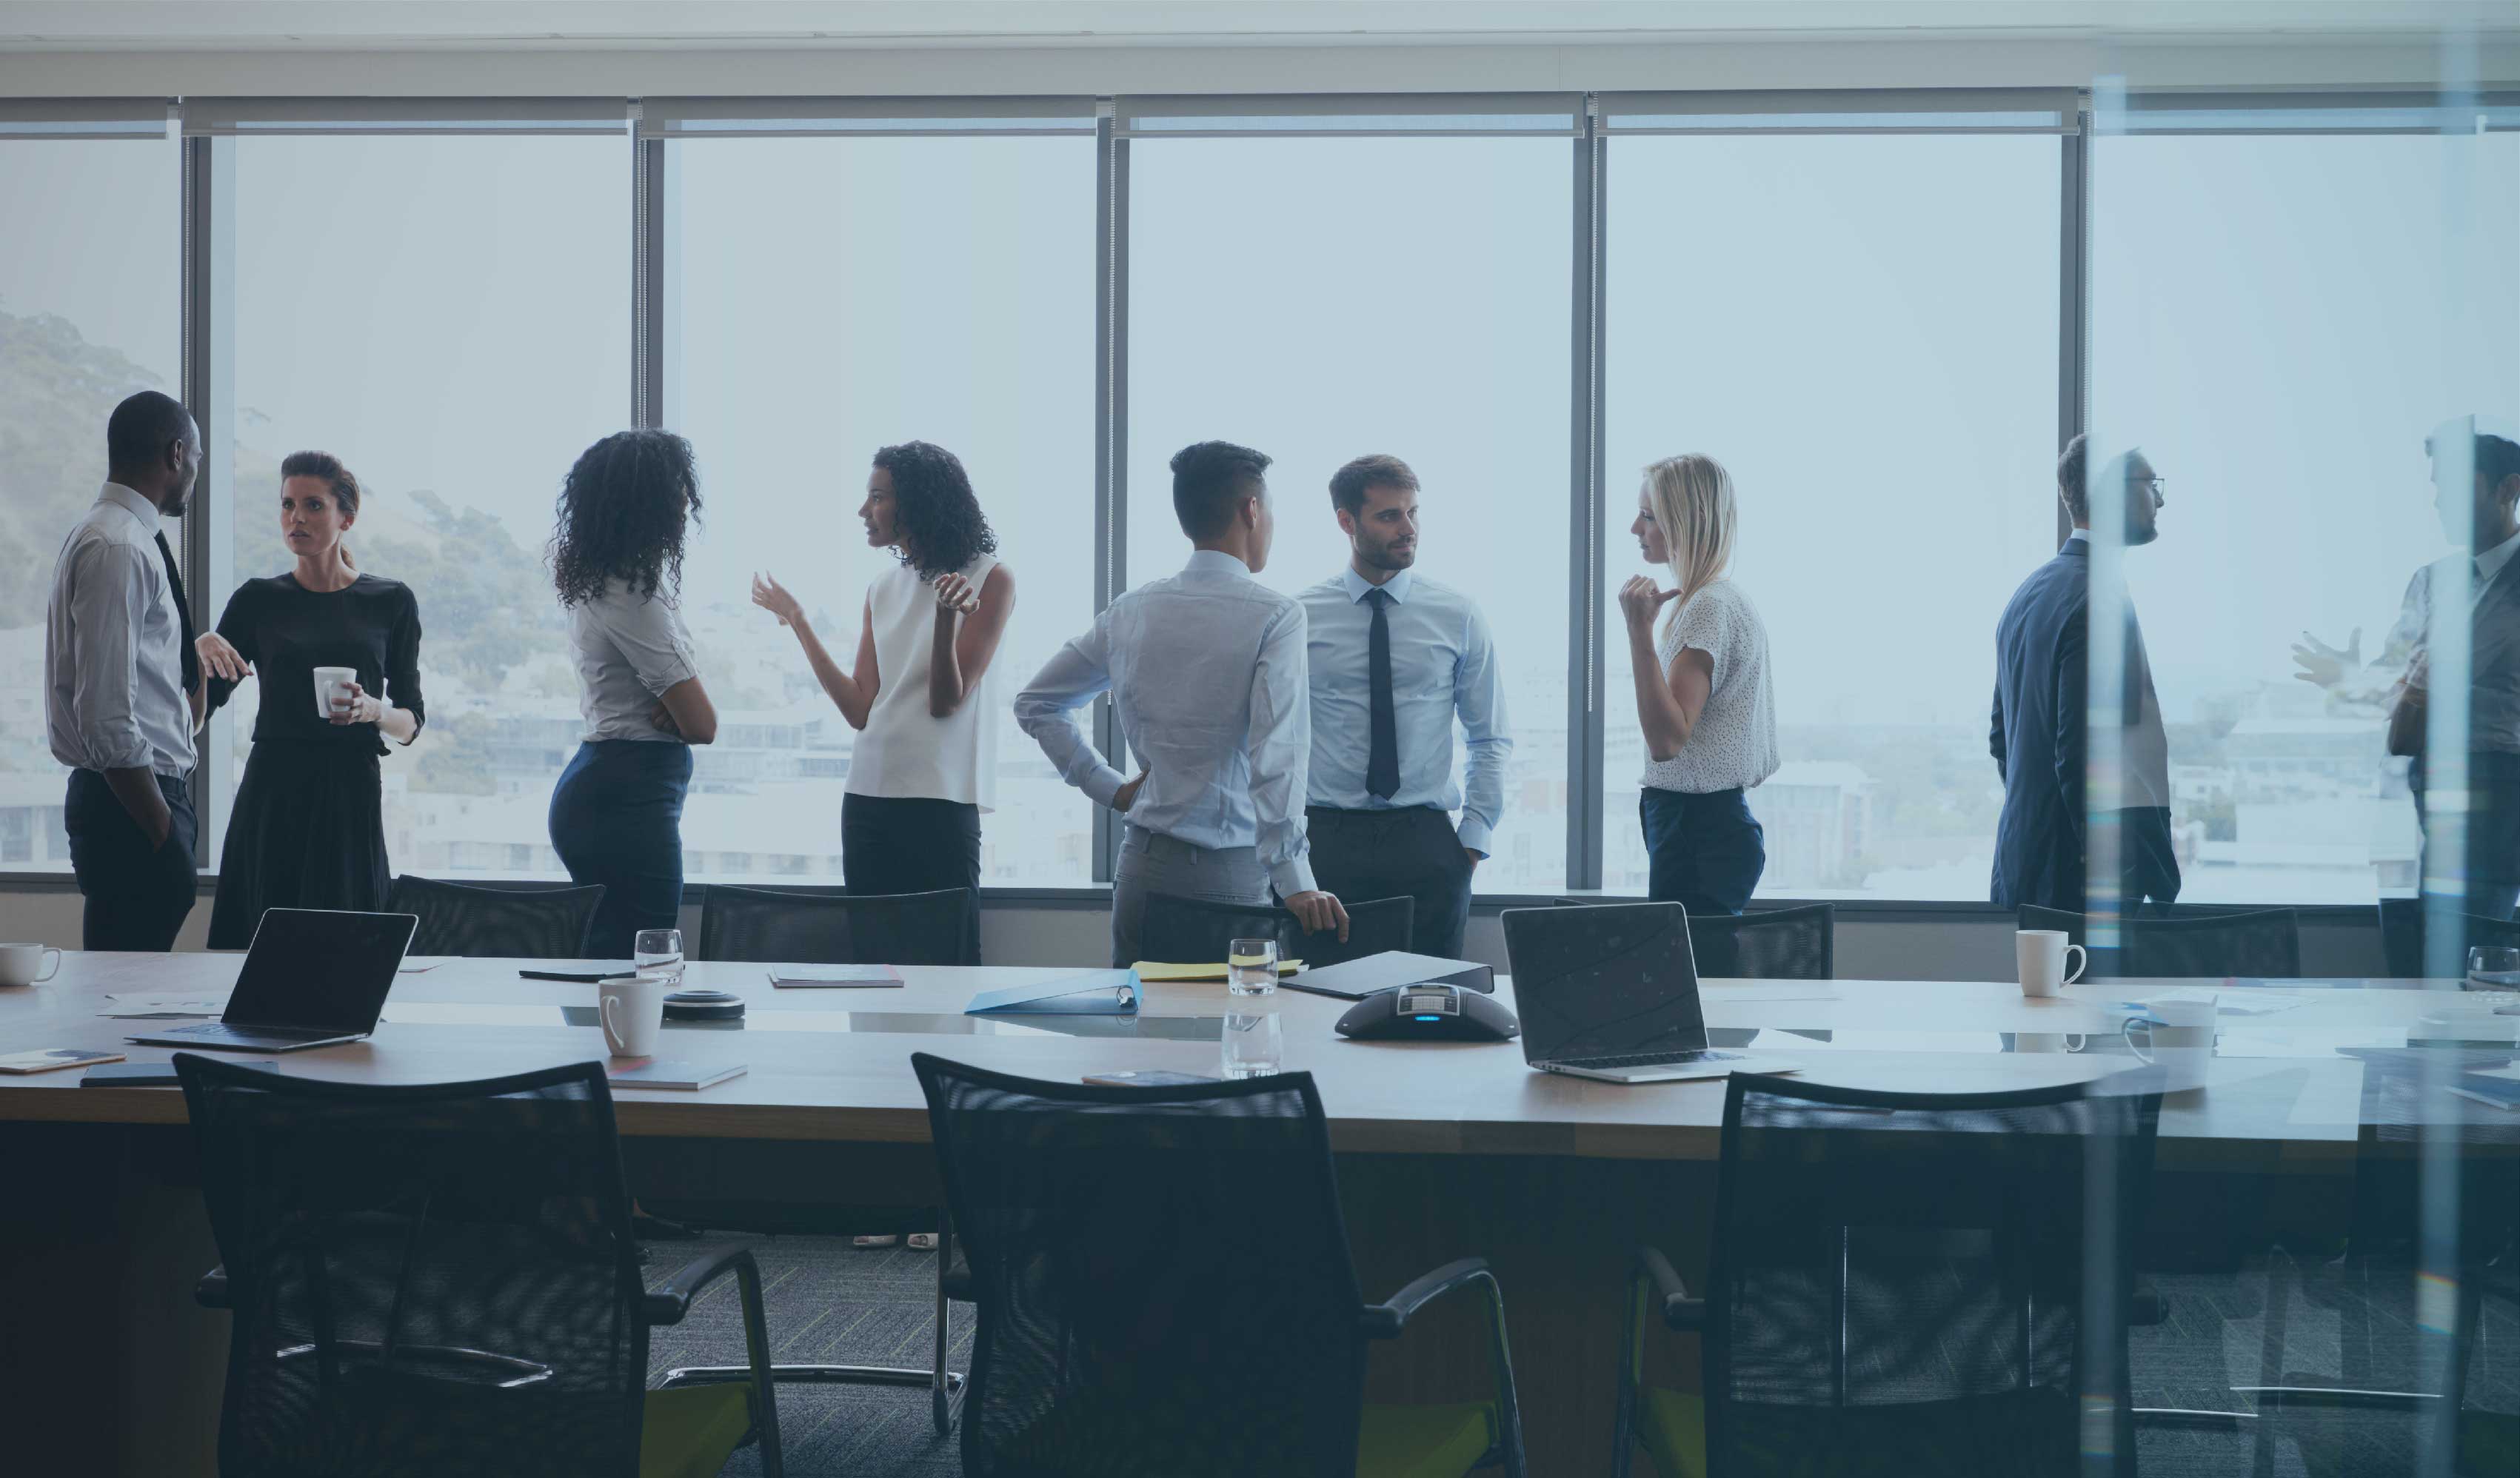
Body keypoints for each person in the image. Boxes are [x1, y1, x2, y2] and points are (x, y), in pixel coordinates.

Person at [1017, 440, 1348, 966]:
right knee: (1234, 1038)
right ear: (1251, 510)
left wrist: (1109, 788)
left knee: (1140, 1041)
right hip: (1230, 875)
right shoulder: (1276, 615)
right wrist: (1295, 880)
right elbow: (1277, 754)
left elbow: (1036, 704)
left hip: (1142, 872)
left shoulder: (1131, 610)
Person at [752, 441, 1014, 946]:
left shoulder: (990, 578)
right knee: (873, 962)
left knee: (945, 966)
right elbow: (857, 709)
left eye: (877, 498)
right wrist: (799, 622)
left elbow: (945, 703)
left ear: (918, 502)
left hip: (939, 801)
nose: (863, 511)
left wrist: (945, 620)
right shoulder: (882, 587)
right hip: (867, 799)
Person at [195, 452, 424, 949]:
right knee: (264, 947)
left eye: (312, 505)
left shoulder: (391, 600)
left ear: (347, 517)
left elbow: (411, 722)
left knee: (348, 948)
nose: (295, 518)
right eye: (287, 505)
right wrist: (197, 647)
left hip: (350, 789)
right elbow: (195, 711)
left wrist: (373, 711)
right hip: (274, 790)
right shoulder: (257, 599)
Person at [1296, 454, 1509, 960]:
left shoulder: (1457, 614)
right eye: (1389, 515)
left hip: (1425, 844)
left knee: (1429, 1015)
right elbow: (1269, 741)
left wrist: (1471, 843)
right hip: (1327, 840)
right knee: (1318, 1009)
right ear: (1346, 522)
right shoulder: (1299, 617)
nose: (1407, 528)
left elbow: (1489, 736)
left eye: (1413, 513)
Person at [547, 429, 718, 958]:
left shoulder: (619, 582)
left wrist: (678, 705)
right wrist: (677, 706)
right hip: (625, 797)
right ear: (644, 501)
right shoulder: (629, 597)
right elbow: (702, 724)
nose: (686, 498)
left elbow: (687, 711)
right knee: (642, 960)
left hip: (616, 788)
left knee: (623, 961)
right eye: (676, 487)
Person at [45, 391, 207, 950]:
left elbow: (134, 685)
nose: (195, 476)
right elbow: (105, 714)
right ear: (176, 454)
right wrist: (162, 829)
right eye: (198, 462)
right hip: (132, 807)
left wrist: (193, 666)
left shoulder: (117, 536)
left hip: (134, 801)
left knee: (126, 1002)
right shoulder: (120, 546)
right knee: (121, 1008)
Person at [1990, 435, 2179, 914]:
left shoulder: (2029, 592)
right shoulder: (2097, 600)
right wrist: (2120, 877)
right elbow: (2078, 755)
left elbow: (2001, 740)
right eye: (2148, 484)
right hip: (2081, 888)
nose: (2159, 498)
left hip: (2031, 865)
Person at [1618, 454, 1779, 914]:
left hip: (1697, 829)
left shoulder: (1708, 606)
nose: (1635, 528)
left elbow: (1667, 741)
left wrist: (1637, 631)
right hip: (1702, 826)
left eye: (1649, 517)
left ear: (1690, 522)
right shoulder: (1713, 599)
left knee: (1689, 981)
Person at [2374, 422, 2520, 920]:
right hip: (2423, 782)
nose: (2439, 503)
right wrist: (2347, 675)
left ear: (2507, 489)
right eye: (2437, 489)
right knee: (2417, 942)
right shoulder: (2430, 581)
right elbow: (2390, 676)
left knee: (2477, 944)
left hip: (2499, 786)